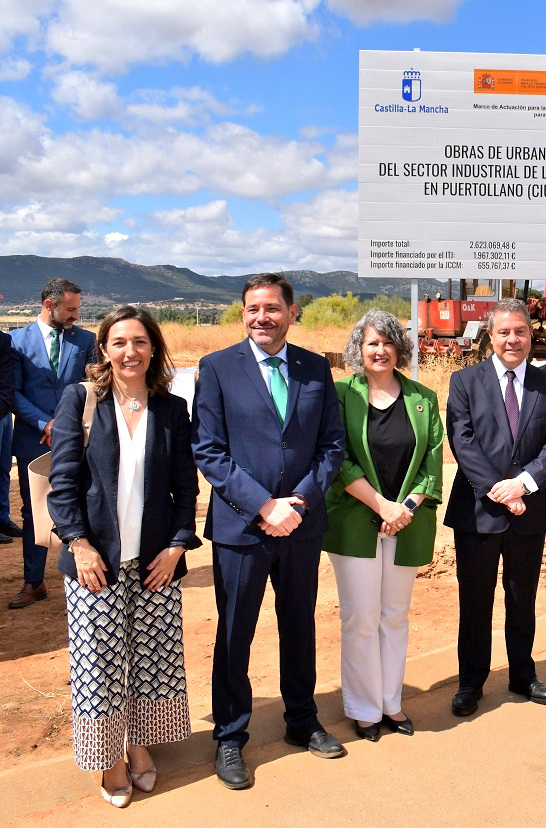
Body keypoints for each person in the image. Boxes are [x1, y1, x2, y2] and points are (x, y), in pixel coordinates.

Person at [192, 273, 347, 789]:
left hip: (301, 525)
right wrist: (264, 506)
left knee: (299, 624)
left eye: (273, 307)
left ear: (292, 312)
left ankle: (302, 721)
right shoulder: (216, 369)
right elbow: (209, 451)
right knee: (235, 631)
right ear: (243, 313)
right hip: (242, 528)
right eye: (254, 308)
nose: (263, 316)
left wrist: (295, 505)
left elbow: (331, 446)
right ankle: (231, 736)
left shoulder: (314, 367)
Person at [47, 306, 199, 807]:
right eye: (119, 342)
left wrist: (178, 546)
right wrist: (80, 543)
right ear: (104, 350)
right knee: (100, 665)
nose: (129, 352)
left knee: (151, 661)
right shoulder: (81, 401)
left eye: (139, 341)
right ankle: (108, 760)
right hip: (97, 564)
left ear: (153, 348)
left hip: (155, 560)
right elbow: (63, 481)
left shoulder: (172, 409)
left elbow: (184, 486)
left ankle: (137, 746)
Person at [444, 298, 546, 716]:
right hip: (478, 512)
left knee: (522, 598)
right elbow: (462, 441)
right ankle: (470, 682)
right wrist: (499, 490)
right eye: (504, 332)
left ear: (531, 335)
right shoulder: (465, 382)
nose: (512, 339)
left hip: (528, 510)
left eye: (520, 331)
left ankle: (522, 674)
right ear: (490, 336)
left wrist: (523, 485)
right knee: (475, 600)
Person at [324, 310, 443, 742]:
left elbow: (432, 462)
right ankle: (364, 708)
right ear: (359, 348)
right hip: (355, 521)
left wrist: (403, 509)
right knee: (361, 616)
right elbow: (335, 459)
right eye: (372, 343)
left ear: (400, 349)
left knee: (394, 616)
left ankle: (391, 703)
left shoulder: (423, 398)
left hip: (405, 522)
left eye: (388, 342)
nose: (380, 350)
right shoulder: (340, 395)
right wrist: (381, 506)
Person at [8, 279, 96, 608]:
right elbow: (12, 391)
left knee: (85, 504)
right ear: (50, 305)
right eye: (70, 309)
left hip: (78, 438)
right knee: (34, 512)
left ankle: (86, 577)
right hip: (34, 436)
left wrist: (68, 424)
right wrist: (45, 423)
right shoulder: (15, 342)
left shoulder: (86, 339)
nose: (76, 315)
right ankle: (34, 583)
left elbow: (92, 384)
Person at [0, 328, 14, 543]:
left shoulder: (3, 340)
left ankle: (2, 519)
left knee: (3, 469)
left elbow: (6, 380)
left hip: (2, 415)